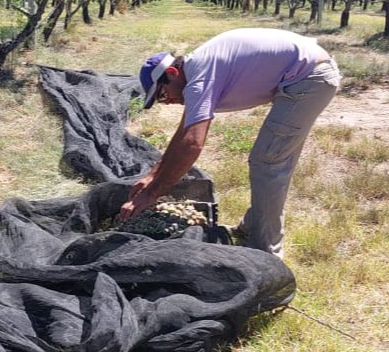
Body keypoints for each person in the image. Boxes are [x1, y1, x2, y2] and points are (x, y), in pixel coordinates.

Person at [119, 28, 341, 256]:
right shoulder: (198, 70)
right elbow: (183, 134)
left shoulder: (199, 76)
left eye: (162, 95)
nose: (167, 102)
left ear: (173, 72)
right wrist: (152, 176)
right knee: (269, 158)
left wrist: (151, 194)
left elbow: (192, 145)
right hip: (306, 74)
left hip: (309, 78)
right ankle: (254, 226)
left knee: (268, 162)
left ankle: (266, 254)